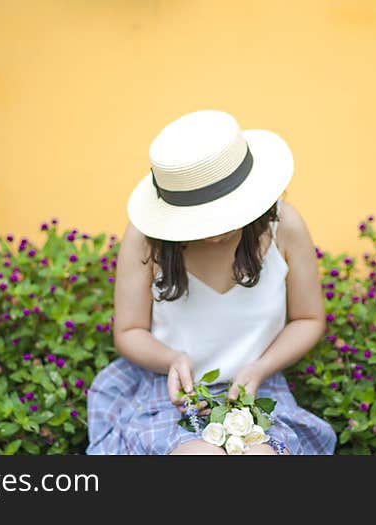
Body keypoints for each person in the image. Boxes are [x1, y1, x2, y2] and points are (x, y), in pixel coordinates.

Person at [86, 109, 336, 455]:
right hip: (168, 391)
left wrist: (261, 367)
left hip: (257, 389)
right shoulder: (146, 239)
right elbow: (129, 330)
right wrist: (171, 360)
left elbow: (308, 319)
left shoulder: (285, 227)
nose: (217, 232)